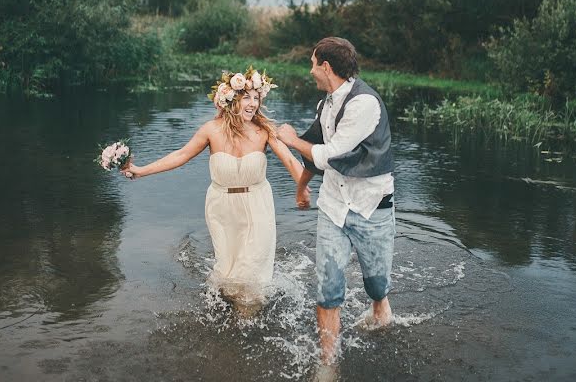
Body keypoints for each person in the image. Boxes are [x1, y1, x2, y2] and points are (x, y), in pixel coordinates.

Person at [121, 66, 304, 315]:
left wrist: (302, 189)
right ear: (231, 99)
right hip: (221, 208)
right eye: (246, 97)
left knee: (251, 272)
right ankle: (233, 314)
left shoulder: (264, 131)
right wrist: (141, 170)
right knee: (228, 273)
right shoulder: (211, 130)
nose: (252, 103)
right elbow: (181, 155)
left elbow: (291, 161)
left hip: (257, 205)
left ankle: (245, 322)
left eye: (256, 97)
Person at [277, 37, 396, 365]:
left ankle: (380, 308)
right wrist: (302, 187)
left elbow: (330, 154)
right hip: (332, 205)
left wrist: (289, 140)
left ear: (325, 66)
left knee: (376, 283)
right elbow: (314, 151)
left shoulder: (364, 104)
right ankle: (327, 364)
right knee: (328, 285)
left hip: (370, 204)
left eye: (312, 63)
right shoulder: (325, 104)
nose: (311, 70)